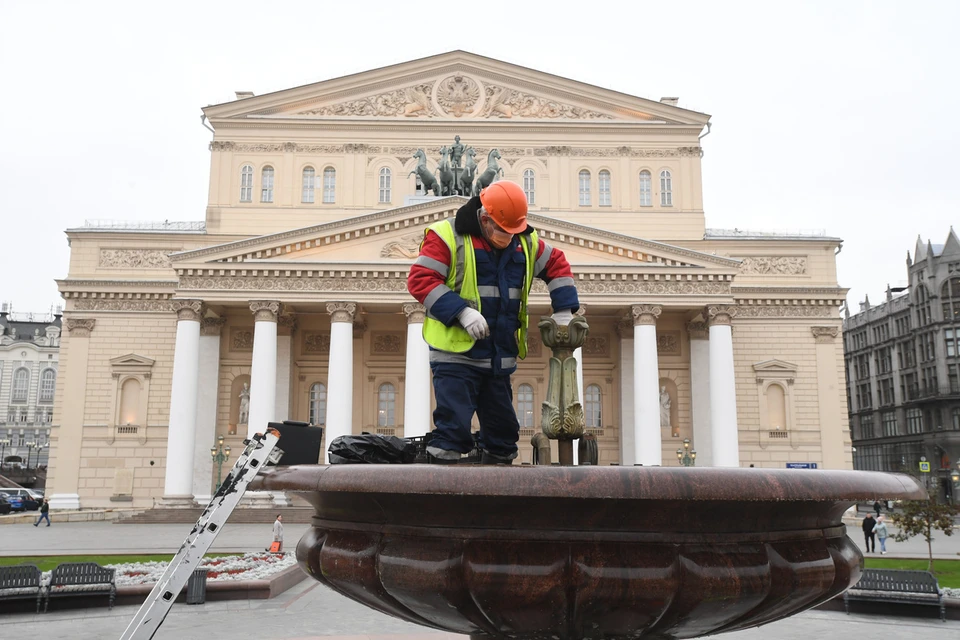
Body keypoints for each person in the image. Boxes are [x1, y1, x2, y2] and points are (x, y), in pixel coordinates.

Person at [408, 180, 579, 465]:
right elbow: (421, 280)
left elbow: (557, 264)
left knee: (503, 437)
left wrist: (564, 309)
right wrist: (462, 312)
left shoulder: (524, 240)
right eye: (503, 231)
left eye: (514, 231)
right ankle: (442, 497)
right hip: (456, 357)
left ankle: (496, 496)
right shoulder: (448, 236)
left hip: (498, 358)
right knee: (452, 433)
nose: (509, 237)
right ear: (485, 219)